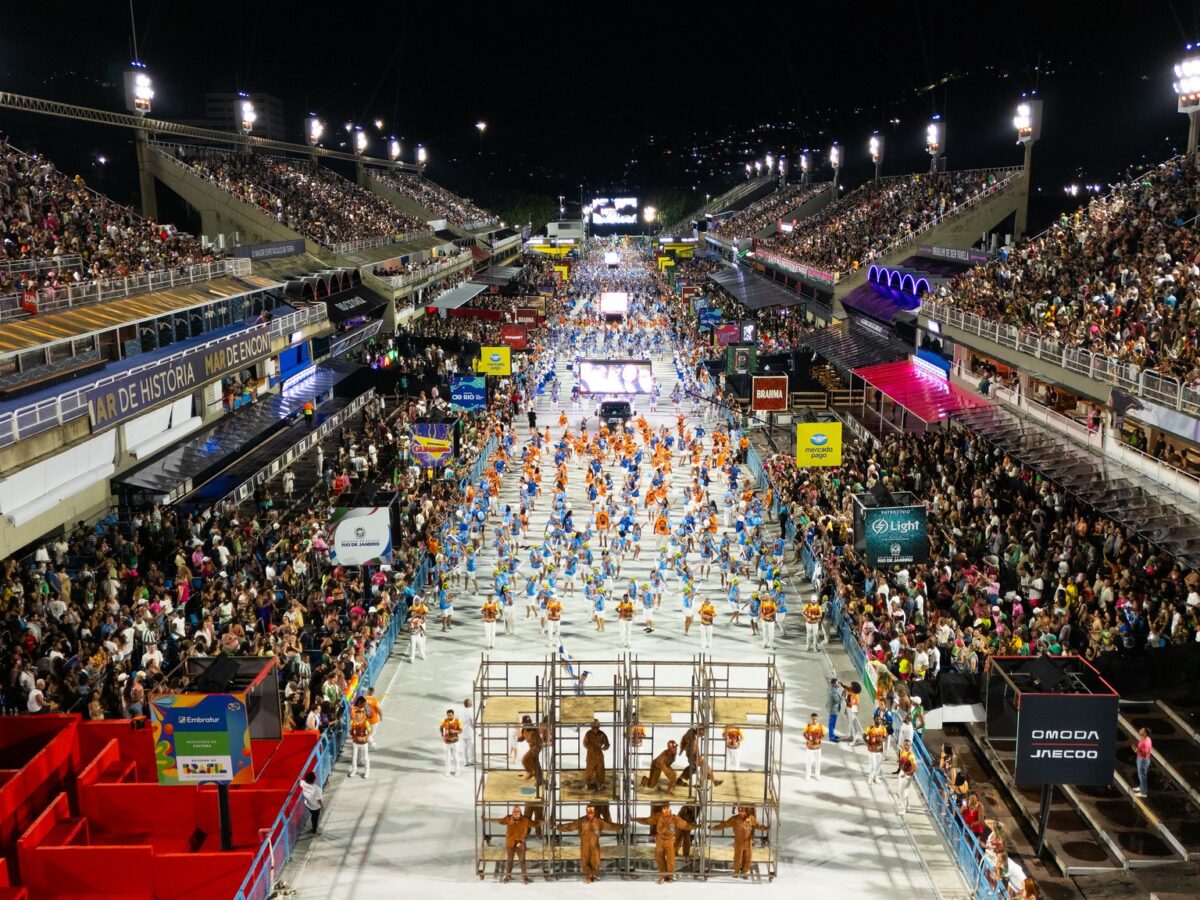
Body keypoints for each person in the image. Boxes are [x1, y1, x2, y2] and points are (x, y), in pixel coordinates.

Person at [555, 804, 622, 883]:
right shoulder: (581, 821)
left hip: (594, 843)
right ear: (586, 811)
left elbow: (611, 826)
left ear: (594, 812)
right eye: (588, 811)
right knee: (585, 859)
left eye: (592, 811)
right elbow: (570, 826)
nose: (590, 814)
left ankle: (595, 874)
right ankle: (588, 875)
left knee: (596, 859)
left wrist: (621, 826)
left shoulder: (599, 821)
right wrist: (558, 827)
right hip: (584, 843)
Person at [634, 803, 694, 884]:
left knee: (670, 859)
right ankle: (663, 876)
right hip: (660, 840)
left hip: (669, 840)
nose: (666, 812)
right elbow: (647, 820)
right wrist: (635, 819)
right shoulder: (658, 816)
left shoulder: (674, 818)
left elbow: (686, 825)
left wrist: (697, 826)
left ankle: (670, 876)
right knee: (659, 858)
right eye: (664, 810)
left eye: (667, 810)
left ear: (670, 810)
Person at [714, 806, 768, 879]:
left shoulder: (751, 818)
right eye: (739, 811)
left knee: (748, 856)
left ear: (746, 812)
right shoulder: (734, 819)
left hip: (748, 841)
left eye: (742, 811)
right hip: (739, 841)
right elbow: (725, 824)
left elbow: (757, 825)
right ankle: (736, 871)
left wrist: (765, 828)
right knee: (738, 857)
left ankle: (744, 872)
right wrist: (716, 827)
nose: (741, 813)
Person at [484, 806, 534, 883]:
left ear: (520, 813)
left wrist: (546, 821)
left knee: (522, 860)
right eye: (515, 813)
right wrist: (487, 819)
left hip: (520, 843)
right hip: (510, 843)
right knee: (509, 860)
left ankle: (525, 877)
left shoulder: (525, 820)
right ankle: (508, 876)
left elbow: (536, 823)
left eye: (518, 813)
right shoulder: (508, 819)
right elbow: (499, 821)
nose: (516, 815)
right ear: (512, 813)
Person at [583, 719, 610, 792]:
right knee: (589, 771)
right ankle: (586, 784)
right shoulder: (588, 733)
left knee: (600, 771)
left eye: (597, 727)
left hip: (599, 756)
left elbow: (607, 743)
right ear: (591, 727)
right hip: (591, 756)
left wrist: (605, 747)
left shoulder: (602, 734)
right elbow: (585, 743)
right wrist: (591, 748)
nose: (595, 729)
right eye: (594, 727)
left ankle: (600, 784)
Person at [348, 699, 371, 779]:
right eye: (355, 716)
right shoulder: (353, 723)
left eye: (357, 716)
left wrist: (365, 737)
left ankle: (366, 772)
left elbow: (369, 732)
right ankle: (354, 770)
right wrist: (354, 737)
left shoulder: (366, 723)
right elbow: (351, 732)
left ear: (361, 715)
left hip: (364, 743)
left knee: (366, 757)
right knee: (354, 757)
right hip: (355, 743)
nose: (356, 717)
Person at [864, 714, 888, 785]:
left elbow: (885, 737)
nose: (878, 720)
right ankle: (870, 777)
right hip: (871, 750)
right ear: (874, 720)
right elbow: (864, 736)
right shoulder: (870, 728)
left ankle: (876, 777)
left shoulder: (883, 729)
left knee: (878, 765)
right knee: (873, 765)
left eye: (880, 719)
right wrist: (868, 744)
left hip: (880, 750)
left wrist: (881, 740)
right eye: (877, 719)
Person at [300, 771, 324, 836]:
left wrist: (300, 778)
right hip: (316, 807)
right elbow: (319, 799)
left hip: (308, 805)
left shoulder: (303, 783)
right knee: (315, 819)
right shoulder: (317, 789)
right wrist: (322, 807)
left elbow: (300, 780)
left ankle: (314, 828)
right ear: (314, 779)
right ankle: (314, 832)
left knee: (313, 817)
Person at [441, 708, 463, 776]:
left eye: (450, 715)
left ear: (453, 715)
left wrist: (454, 731)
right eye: (448, 715)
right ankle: (448, 771)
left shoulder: (458, 721)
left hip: (455, 742)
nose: (449, 717)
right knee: (447, 757)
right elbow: (441, 729)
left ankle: (457, 771)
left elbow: (461, 731)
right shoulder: (444, 721)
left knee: (455, 756)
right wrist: (443, 737)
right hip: (447, 742)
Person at [804, 712, 826, 781]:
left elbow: (824, 734)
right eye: (813, 719)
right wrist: (808, 739)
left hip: (817, 748)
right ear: (811, 719)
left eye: (815, 719)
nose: (814, 720)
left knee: (818, 762)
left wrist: (819, 739)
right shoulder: (808, 726)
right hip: (810, 748)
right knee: (809, 762)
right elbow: (804, 733)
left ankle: (817, 775)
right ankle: (808, 775)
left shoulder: (820, 726)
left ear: (817, 719)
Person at [897, 739, 917, 812]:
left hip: (907, 775)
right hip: (902, 772)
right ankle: (907, 805)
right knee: (904, 790)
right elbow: (901, 759)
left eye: (907, 745)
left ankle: (903, 809)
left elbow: (915, 769)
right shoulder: (902, 751)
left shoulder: (911, 755)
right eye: (905, 744)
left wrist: (905, 774)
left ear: (910, 746)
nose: (906, 746)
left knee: (902, 791)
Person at [1133, 727, 1152, 798]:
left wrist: (1136, 750)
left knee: (1142, 776)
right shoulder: (1144, 738)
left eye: (1141, 730)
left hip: (1143, 761)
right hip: (1140, 759)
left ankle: (1143, 793)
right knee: (1141, 775)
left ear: (1145, 733)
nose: (1139, 730)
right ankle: (1141, 787)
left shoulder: (1146, 741)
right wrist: (1136, 749)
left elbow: (1144, 754)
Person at [826, 678, 842, 742]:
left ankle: (832, 734)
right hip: (833, 709)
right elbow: (839, 701)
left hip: (830, 707)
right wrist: (843, 696)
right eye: (838, 683)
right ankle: (831, 737)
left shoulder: (831, 688)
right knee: (832, 724)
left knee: (832, 723)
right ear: (834, 683)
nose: (839, 684)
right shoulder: (834, 691)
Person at [461, 697, 476, 767]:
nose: (472, 702)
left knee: (464, 747)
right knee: (471, 747)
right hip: (469, 731)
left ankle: (466, 762)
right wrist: (478, 732)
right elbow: (473, 723)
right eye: (470, 702)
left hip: (463, 732)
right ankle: (472, 760)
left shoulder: (462, 711)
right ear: (468, 704)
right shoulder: (470, 711)